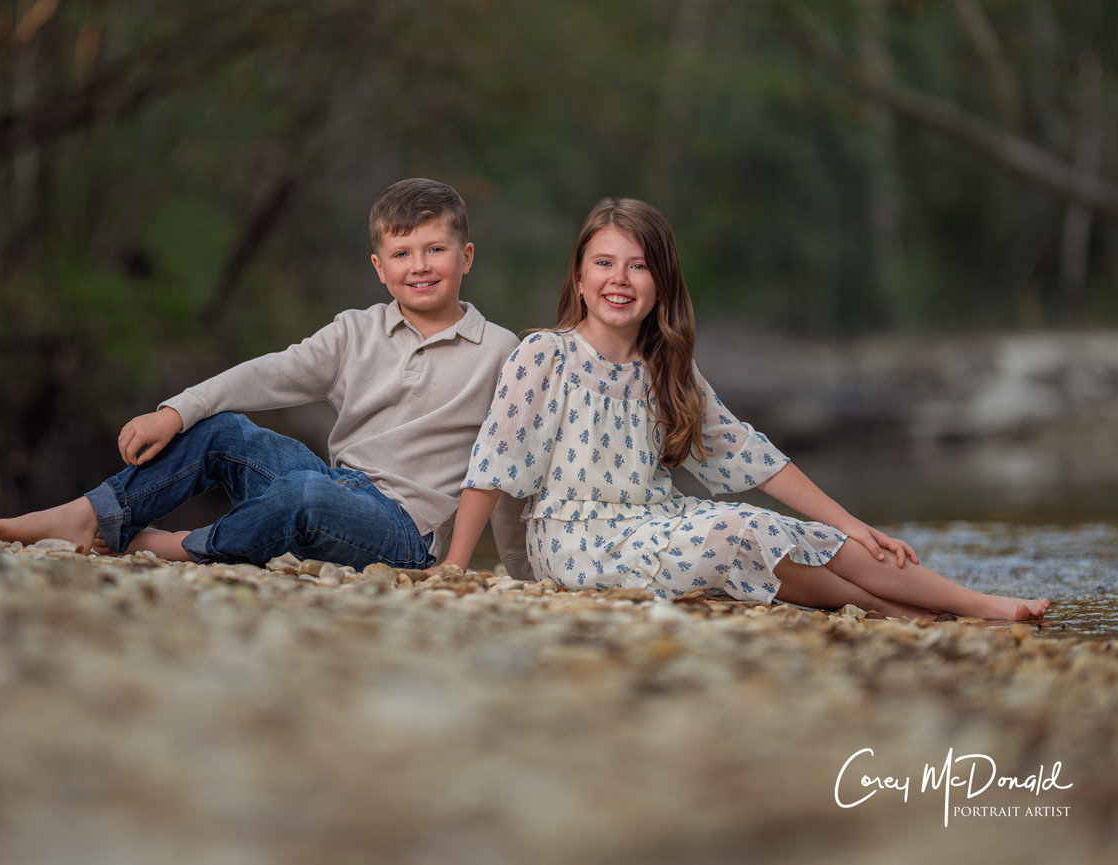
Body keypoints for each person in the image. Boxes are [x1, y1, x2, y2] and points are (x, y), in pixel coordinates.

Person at [437, 197, 1048, 621]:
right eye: (604, 263)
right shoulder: (544, 355)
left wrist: (850, 524)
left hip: (656, 522)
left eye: (639, 265)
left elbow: (750, 455)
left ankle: (973, 601)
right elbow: (493, 466)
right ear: (578, 275)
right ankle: (880, 605)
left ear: (663, 281)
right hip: (576, 543)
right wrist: (457, 569)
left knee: (802, 532)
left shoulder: (666, 366)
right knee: (736, 528)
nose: (619, 279)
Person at [0, 178, 529, 576]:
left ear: (467, 257)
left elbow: (503, 465)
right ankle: (91, 515)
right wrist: (175, 409)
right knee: (223, 431)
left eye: (436, 249)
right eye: (403, 253)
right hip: (339, 485)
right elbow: (271, 374)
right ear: (379, 269)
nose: (421, 265)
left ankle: (184, 545)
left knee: (305, 492)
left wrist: (500, 567)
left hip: (401, 532)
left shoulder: (502, 352)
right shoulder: (355, 332)